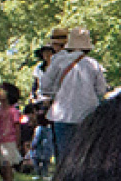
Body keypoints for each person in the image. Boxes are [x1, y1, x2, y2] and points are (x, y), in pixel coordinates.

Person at [39, 27, 108, 166]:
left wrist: (55, 92)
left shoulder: (58, 61)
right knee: (85, 156)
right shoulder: (93, 64)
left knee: (64, 157)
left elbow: (44, 86)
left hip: (62, 114)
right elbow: (101, 91)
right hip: (88, 114)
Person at [0, 82, 22, 181]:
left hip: (9, 140)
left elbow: (17, 126)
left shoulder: (13, 111)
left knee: (7, 163)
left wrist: (18, 141)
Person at [29, 109, 54, 179]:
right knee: (45, 162)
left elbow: (37, 138)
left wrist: (32, 145)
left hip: (39, 149)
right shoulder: (49, 129)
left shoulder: (39, 129)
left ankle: (38, 174)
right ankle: (45, 173)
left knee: (36, 161)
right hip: (47, 148)